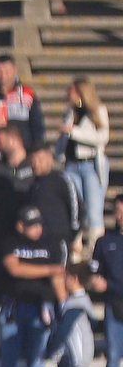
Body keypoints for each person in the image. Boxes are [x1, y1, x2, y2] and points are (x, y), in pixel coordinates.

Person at [0, 207, 67, 367]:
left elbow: (58, 278)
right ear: (20, 226)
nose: (37, 229)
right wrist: (48, 269)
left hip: (42, 308)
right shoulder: (10, 241)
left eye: (39, 224)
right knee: (9, 358)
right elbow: (14, 268)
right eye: (32, 226)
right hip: (13, 308)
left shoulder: (51, 244)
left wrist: (64, 306)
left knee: (37, 358)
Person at [0, 128, 35, 328]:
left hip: (28, 234)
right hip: (1, 233)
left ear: (14, 138)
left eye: (0, 138)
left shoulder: (31, 166)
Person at [61, 78, 111, 255]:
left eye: (72, 91)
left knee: (93, 210)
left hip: (91, 165)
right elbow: (64, 138)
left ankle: (96, 252)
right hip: (71, 165)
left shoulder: (98, 110)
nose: (69, 95)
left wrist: (74, 132)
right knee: (75, 208)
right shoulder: (69, 111)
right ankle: (75, 249)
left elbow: (102, 137)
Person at [28, 146, 82, 265]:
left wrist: (72, 234)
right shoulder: (32, 185)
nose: (36, 164)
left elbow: (76, 208)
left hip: (59, 239)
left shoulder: (62, 180)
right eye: (33, 160)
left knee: (58, 275)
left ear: (50, 159)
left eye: (40, 160)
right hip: (37, 242)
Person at [46, 264, 95, 367]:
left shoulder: (77, 304)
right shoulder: (77, 301)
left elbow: (64, 329)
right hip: (70, 355)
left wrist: (51, 350)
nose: (64, 280)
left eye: (66, 277)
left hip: (78, 355)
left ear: (74, 279)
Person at [92, 195, 123, 367]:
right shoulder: (105, 241)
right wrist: (94, 281)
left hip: (113, 295)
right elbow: (94, 270)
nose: (120, 216)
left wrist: (108, 285)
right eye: (117, 211)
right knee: (113, 355)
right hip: (114, 306)